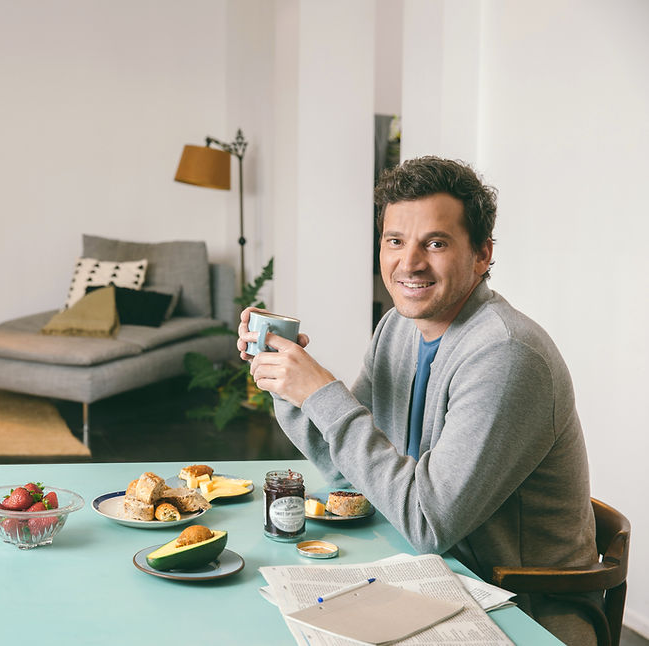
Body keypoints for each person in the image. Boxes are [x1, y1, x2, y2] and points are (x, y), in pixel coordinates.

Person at [239, 156, 600, 645]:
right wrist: (286, 385)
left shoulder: (506, 355)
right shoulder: (397, 327)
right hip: (434, 581)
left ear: (482, 255)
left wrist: (321, 392)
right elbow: (357, 476)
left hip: (523, 611)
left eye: (435, 242)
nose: (409, 263)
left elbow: (428, 521)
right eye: (395, 241)